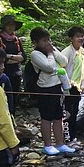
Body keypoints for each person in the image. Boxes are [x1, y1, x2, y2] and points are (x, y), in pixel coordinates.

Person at [29, 28, 74, 156]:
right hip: (45, 89)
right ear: (35, 42)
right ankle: (48, 145)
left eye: (48, 39)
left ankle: (60, 143)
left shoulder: (50, 50)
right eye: (44, 40)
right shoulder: (35, 54)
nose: (47, 43)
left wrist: (52, 50)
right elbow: (49, 68)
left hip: (57, 87)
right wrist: (49, 54)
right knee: (46, 117)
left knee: (58, 116)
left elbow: (64, 61)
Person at [0, 15, 25, 110]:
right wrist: (15, 57)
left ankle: (12, 117)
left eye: (13, 25)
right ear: (4, 26)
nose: (11, 27)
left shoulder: (17, 40)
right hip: (3, 73)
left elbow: (23, 57)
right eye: (8, 25)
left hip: (16, 73)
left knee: (14, 98)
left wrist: (9, 56)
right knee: (3, 97)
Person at [61, 26, 84, 140]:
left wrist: (83, 83)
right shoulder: (66, 52)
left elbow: (83, 69)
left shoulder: (82, 51)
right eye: (77, 36)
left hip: (77, 87)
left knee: (75, 111)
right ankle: (67, 138)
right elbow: (60, 70)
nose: (81, 38)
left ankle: (73, 136)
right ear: (71, 38)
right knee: (68, 113)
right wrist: (67, 83)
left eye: (82, 36)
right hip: (68, 87)